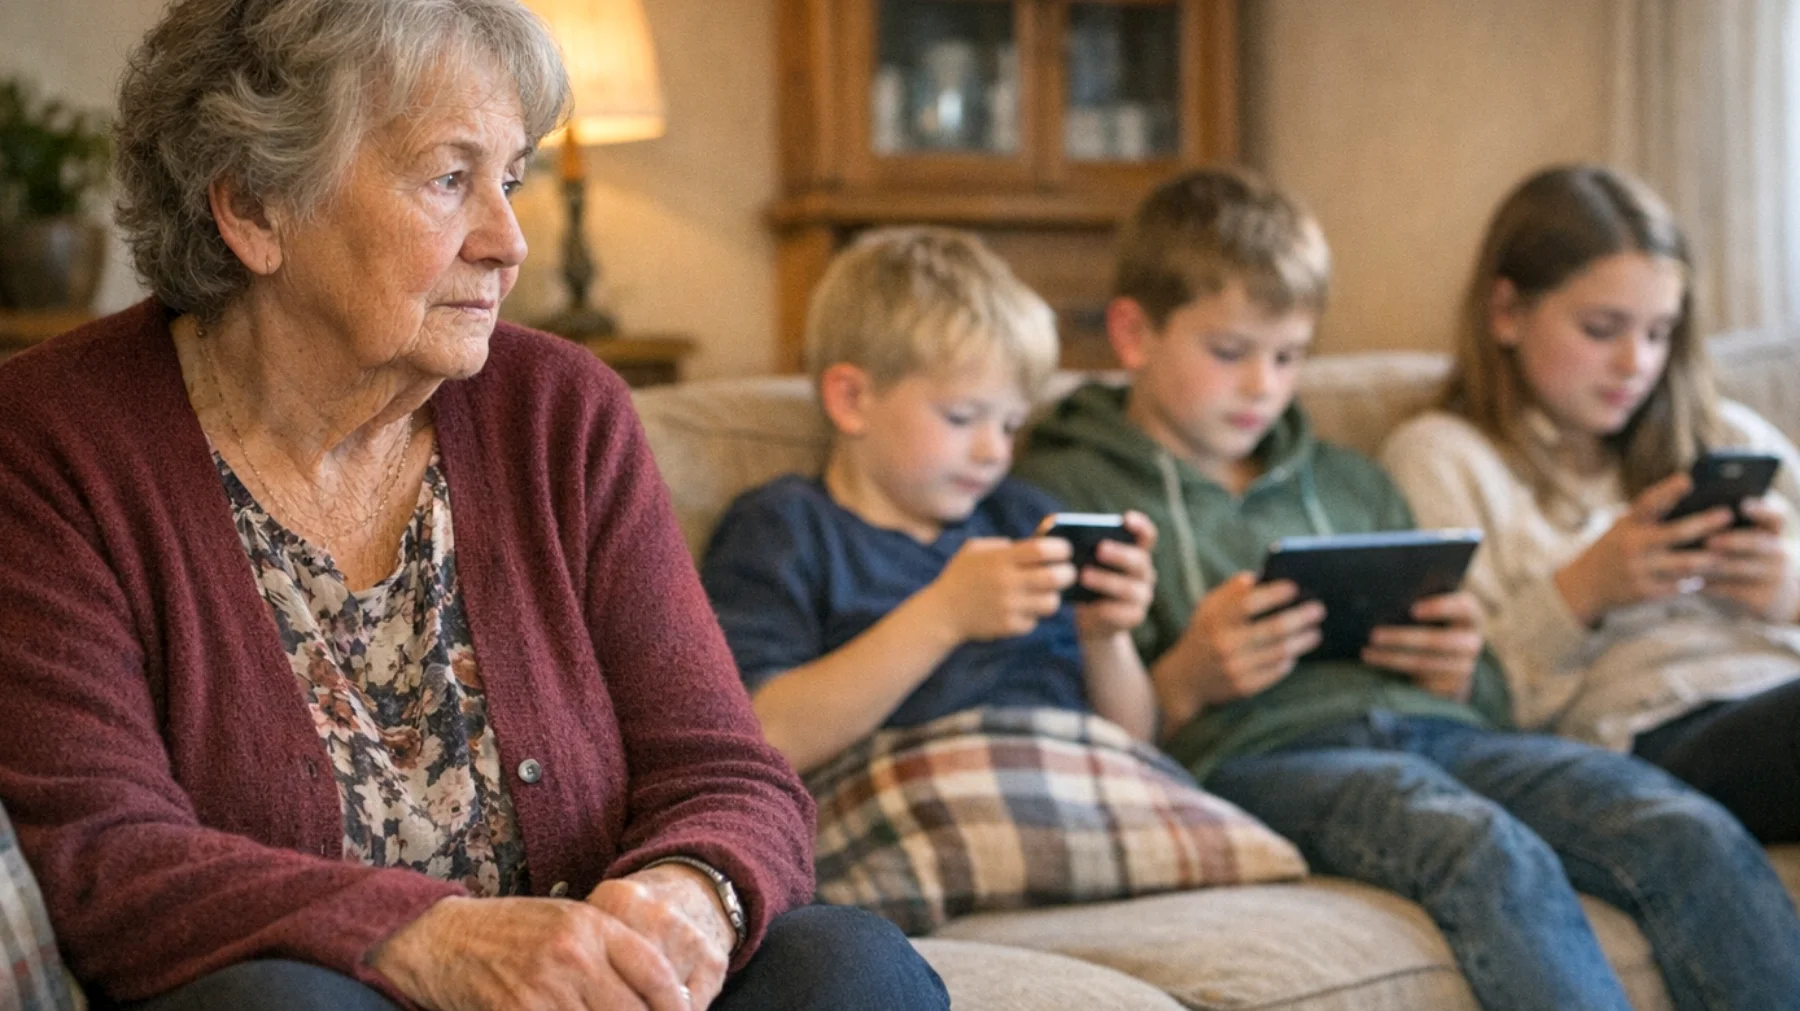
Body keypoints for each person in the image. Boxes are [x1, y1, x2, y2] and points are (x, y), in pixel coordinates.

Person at [0, 2, 948, 1009]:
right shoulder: (53, 444)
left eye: (513, 179)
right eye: (450, 180)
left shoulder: (562, 414)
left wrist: (688, 895)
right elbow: (109, 860)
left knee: (847, 964)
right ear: (255, 211)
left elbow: (726, 769)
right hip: (328, 992)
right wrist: (433, 941)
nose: (508, 242)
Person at [1012, 165, 1800, 1010]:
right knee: (1480, 846)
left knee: (1683, 826)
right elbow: (1074, 738)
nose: (1263, 386)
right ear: (1133, 335)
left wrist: (1458, 664)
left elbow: (1494, 697)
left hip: (1437, 729)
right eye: (1230, 352)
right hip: (1260, 754)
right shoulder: (1064, 491)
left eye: (1289, 357)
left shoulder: (1351, 481)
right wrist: (1188, 677)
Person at [1380, 164, 1800, 846]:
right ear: (1507, 312)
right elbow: (1447, 706)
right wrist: (1582, 591)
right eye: (1603, 329)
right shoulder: (1444, 456)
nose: (1636, 361)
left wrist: (1789, 593)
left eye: (1660, 332)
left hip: (1776, 680)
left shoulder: (1727, 435)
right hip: (1654, 733)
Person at [700, 226, 1159, 776]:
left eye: (1011, 424)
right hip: (915, 786)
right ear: (852, 398)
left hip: (1086, 780)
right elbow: (764, 736)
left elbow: (1137, 744)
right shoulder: (785, 528)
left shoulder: (1025, 519)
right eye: (962, 418)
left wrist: (1105, 636)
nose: (994, 451)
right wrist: (945, 615)